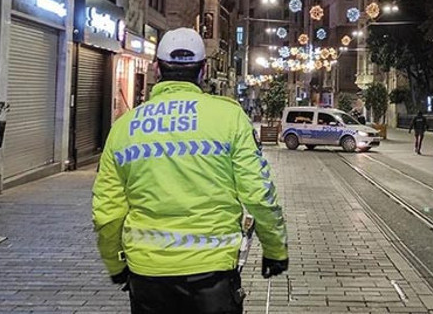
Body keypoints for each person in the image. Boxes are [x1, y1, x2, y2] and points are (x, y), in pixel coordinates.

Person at [92, 28, 288, 314]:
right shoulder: (229, 117)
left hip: (148, 273)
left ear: (156, 68)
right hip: (213, 273)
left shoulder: (124, 127)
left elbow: (107, 211)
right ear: (204, 70)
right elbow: (259, 195)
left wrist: (115, 263)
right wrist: (275, 250)